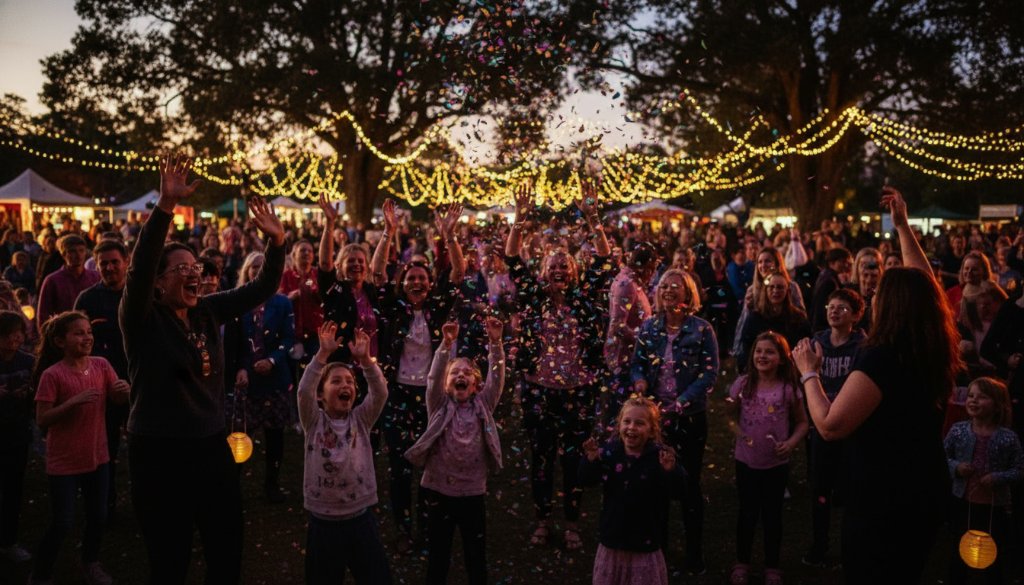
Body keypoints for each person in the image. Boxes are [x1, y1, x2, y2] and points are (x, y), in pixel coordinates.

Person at [120, 156, 286, 585]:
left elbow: (263, 287)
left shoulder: (208, 311)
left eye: (197, 268)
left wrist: (278, 244)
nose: (195, 275)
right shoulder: (141, 318)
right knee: (169, 557)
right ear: (159, 283)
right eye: (182, 270)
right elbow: (138, 271)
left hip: (212, 446)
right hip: (159, 452)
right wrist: (164, 208)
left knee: (226, 549)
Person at [793, 186, 963, 584]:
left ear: (889, 306)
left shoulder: (881, 359)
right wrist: (902, 228)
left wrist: (808, 372)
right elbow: (925, 284)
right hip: (925, 485)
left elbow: (831, 425)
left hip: (884, 497)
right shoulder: (934, 345)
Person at [505, 178, 614, 550]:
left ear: (574, 271)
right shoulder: (535, 298)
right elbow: (511, 260)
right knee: (541, 458)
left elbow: (603, 259)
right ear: (543, 271)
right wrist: (519, 218)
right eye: (553, 264)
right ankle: (541, 520)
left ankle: (570, 523)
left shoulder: (585, 299)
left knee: (572, 459)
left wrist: (594, 218)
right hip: (539, 389)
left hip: (578, 390)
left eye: (565, 264)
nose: (559, 269)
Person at [372, 198, 464, 551]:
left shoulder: (438, 307)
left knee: (432, 464)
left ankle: (427, 528)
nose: (416, 283)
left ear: (429, 283)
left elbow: (456, 274)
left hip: (433, 397)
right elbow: (378, 273)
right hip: (397, 394)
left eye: (422, 278)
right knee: (399, 466)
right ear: (404, 283)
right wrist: (387, 233)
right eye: (411, 278)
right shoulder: (393, 309)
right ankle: (403, 529)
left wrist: (450, 237)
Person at [31, 311, 130, 585]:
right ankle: (40, 574)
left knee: (98, 516)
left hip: (97, 455)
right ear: (60, 341)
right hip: (64, 460)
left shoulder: (101, 365)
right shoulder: (53, 375)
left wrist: (123, 390)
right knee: (63, 521)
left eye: (89, 332)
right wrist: (74, 402)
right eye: (79, 333)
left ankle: (90, 562)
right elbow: (42, 419)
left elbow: (116, 397)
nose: (87, 337)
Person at [404, 317, 506, 585]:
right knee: (438, 555)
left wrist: (495, 343)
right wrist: (445, 346)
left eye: (466, 373)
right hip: (439, 492)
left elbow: (497, 378)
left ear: (476, 384)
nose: (460, 375)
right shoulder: (438, 405)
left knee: (476, 556)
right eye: (454, 373)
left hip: (473, 493)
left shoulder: (484, 405)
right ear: (447, 384)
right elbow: (433, 377)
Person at [630, 268, 718, 574]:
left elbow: (710, 373)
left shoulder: (702, 329)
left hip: (690, 417)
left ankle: (694, 552)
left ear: (688, 294)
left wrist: (682, 401)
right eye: (664, 286)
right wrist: (640, 381)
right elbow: (637, 365)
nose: (668, 290)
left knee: (689, 484)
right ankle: (660, 552)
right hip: (656, 420)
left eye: (675, 287)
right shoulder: (648, 328)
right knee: (658, 484)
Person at [298, 323, 392, 585]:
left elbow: (381, 391)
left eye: (350, 381)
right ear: (320, 395)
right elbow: (303, 390)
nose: (345, 385)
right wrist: (322, 356)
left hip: (360, 519)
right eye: (336, 381)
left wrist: (365, 361)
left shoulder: (361, 420)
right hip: (323, 524)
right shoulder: (313, 421)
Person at [726, 331, 809, 585]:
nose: (762, 356)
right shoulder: (742, 384)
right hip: (746, 461)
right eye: (759, 351)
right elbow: (729, 417)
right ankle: (742, 562)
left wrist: (791, 443)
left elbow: (803, 423)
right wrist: (741, 434)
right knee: (747, 513)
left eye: (769, 352)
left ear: (782, 359)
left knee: (772, 515)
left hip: (776, 465)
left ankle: (772, 566)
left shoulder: (789, 389)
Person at [579, 396, 685, 585]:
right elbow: (586, 480)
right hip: (613, 538)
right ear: (619, 424)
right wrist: (591, 460)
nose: (631, 427)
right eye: (627, 421)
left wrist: (670, 471)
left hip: (644, 540)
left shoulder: (658, 457)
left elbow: (679, 491)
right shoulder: (611, 453)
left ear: (652, 429)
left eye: (639, 423)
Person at [802, 288, 866, 567]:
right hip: (822, 423)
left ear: (856, 315)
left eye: (842, 308)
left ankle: (852, 548)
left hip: (852, 427)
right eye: (831, 306)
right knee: (820, 488)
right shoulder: (817, 343)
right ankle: (819, 545)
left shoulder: (863, 346)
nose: (834, 311)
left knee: (852, 491)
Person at [227, 251, 295, 503]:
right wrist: (241, 367)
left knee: (275, 435)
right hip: (247, 379)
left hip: (275, 377)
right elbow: (233, 343)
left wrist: (273, 360)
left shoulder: (283, 303)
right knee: (241, 434)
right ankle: (232, 485)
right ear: (246, 271)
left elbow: (289, 340)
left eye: (262, 267)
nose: (257, 271)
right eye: (253, 267)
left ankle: (272, 484)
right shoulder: (237, 303)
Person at [944, 377, 1023, 585]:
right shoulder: (958, 430)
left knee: (992, 551)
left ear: (998, 405)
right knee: (958, 548)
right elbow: (942, 457)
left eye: (982, 397)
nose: (974, 401)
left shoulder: (1008, 437)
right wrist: (956, 468)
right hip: (963, 501)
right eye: (971, 396)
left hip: (994, 506)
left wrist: (998, 477)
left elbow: (1018, 470)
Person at [74, 240, 130, 518]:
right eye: (103, 263)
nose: (109, 267)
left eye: (114, 262)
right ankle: (104, 503)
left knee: (145, 445)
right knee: (104, 447)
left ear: (126, 261)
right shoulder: (87, 299)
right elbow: (75, 343)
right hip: (100, 386)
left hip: (138, 382)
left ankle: (147, 500)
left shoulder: (141, 294)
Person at [316, 193, 379, 363]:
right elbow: (323, 263)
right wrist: (330, 223)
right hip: (341, 364)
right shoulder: (335, 290)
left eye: (360, 261)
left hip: (372, 366)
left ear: (367, 266)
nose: (356, 264)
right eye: (350, 261)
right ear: (339, 266)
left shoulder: (371, 292)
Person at [0, 311, 34, 564]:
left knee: (13, 486)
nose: (14, 338)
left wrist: (29, 392)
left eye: (18, 333)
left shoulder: (28, 361)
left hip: (18, 433)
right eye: (8, 334)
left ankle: (9, 540)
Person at [735, 272, 811, 370]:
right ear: (766, 290)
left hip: (790, 372)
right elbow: (746, 347)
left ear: (787, 290)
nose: (775, 290)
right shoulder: (755, 317)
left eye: (780, 287)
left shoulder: (798, 318)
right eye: (771, 287)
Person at [36, 234, 100, 327]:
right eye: (72, 251)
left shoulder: (95, 277)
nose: (78, 255)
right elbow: (44, 315)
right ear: (63, 254)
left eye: (81, 250)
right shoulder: (53, 280)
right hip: (64, 333)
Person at [809, 247, 852, 332]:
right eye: (842, 262)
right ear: (831, 263)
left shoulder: (825, 275)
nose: (846, 265)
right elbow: (822, 308)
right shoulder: (829, 282)